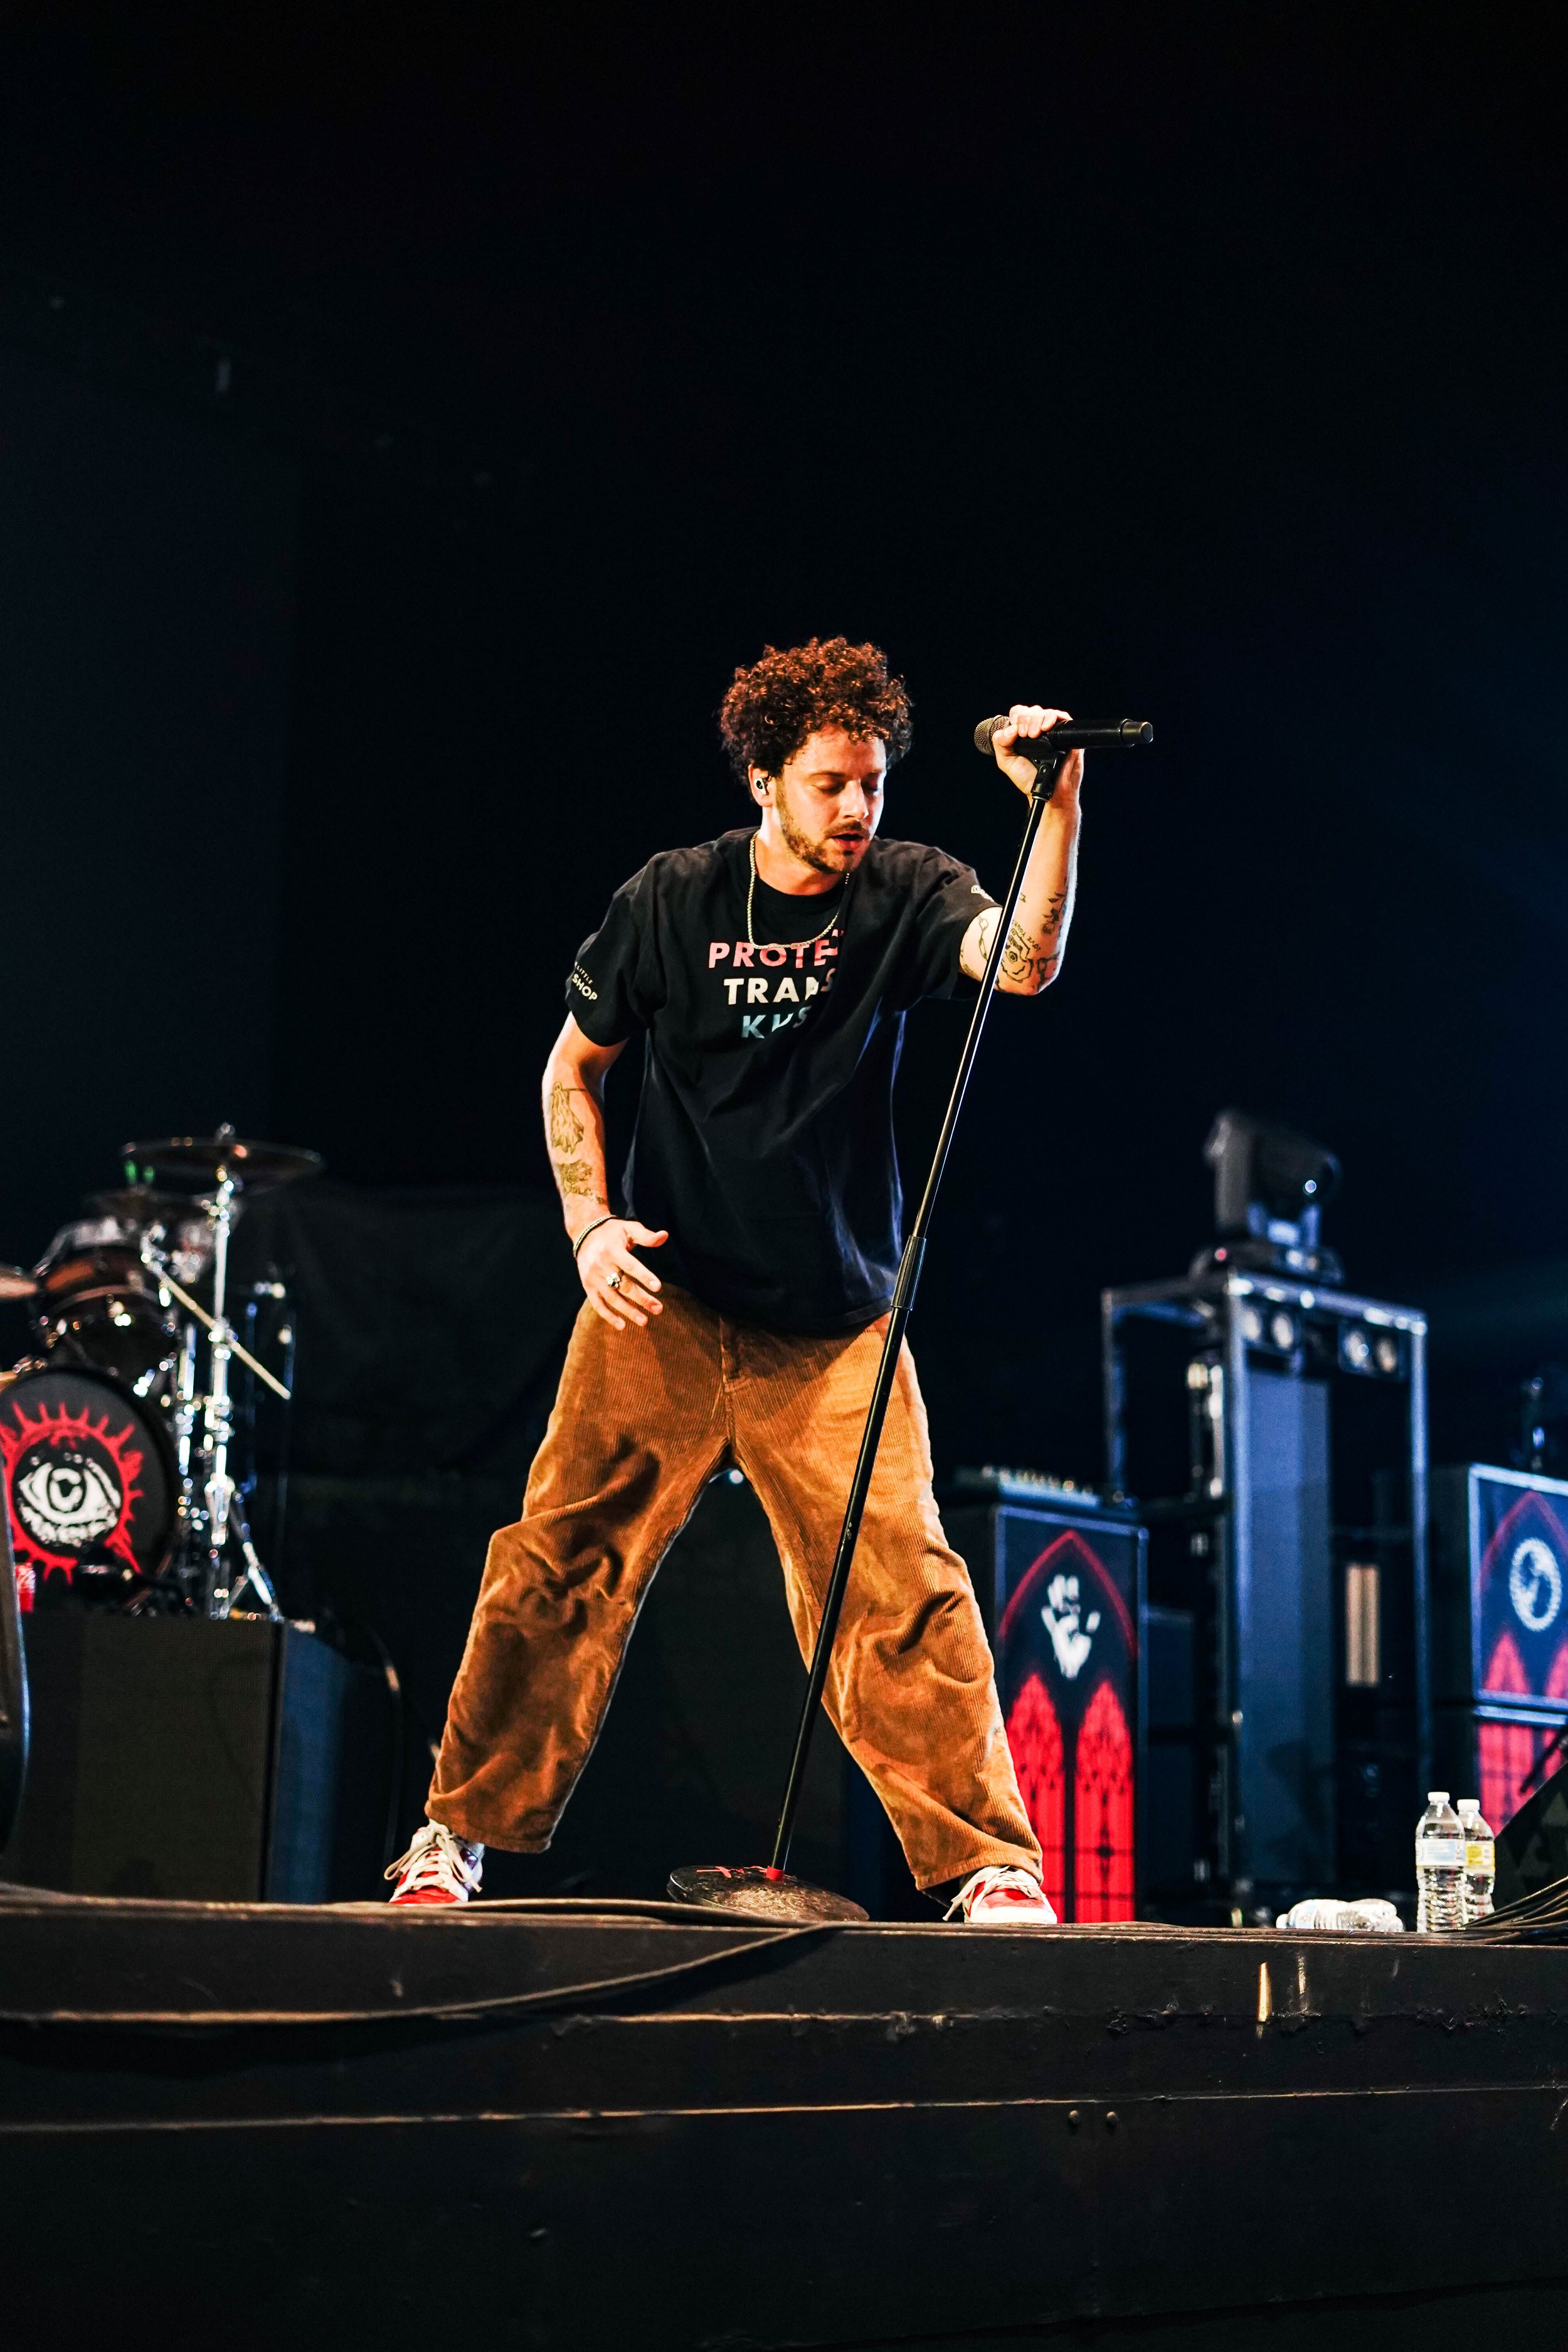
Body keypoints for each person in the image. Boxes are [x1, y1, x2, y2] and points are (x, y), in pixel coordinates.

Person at [387, 637, 1083, 1924]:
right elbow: (569, 1071)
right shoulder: (672, 899)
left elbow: (1024, 963)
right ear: (764, 781)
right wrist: (589, 1227)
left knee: (900, 1584)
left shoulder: (906, 889)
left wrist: (1057, 807)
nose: (856, 812)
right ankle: (452, 1838)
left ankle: (989, 1865)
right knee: (558, 1566)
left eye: (872, 784)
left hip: (830, 1327)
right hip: (669, 1305)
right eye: (829, 785)